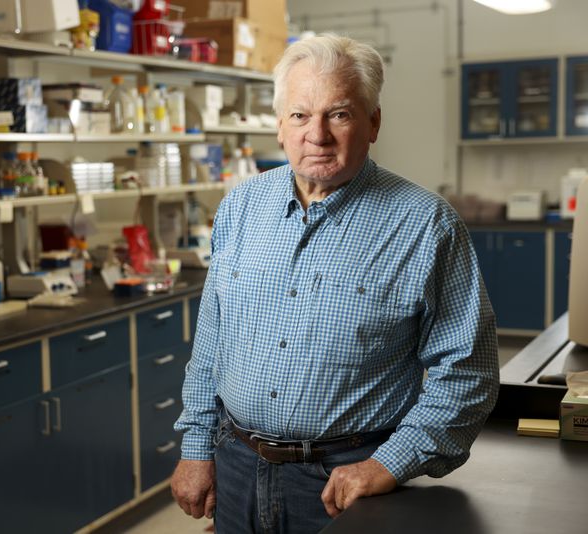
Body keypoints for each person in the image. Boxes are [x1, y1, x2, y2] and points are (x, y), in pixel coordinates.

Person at [171, 33, 499, 532]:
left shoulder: (426, 225)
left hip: (345, 483)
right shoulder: (240, 208)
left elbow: (468, 373)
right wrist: (196, 447)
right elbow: (212, 346)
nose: (317, 134)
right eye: (300, 115)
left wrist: (389, 464)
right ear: (280, 126)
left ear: (374, 122)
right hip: (236, 466)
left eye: (339, 114)